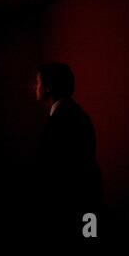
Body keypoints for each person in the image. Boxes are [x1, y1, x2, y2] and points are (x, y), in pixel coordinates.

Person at [34, 62, 104, 237]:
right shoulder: (72, 113)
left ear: (48, 87)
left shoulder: (63, 119)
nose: (35, 87)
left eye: (38, 82)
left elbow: (58, 172)